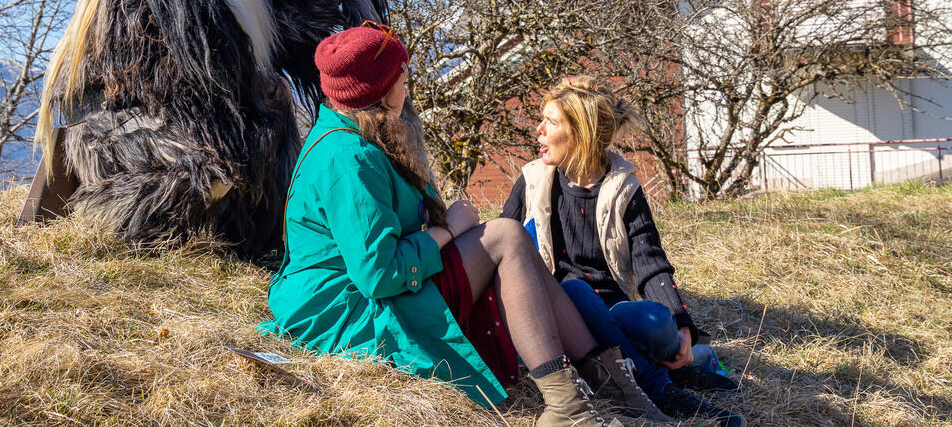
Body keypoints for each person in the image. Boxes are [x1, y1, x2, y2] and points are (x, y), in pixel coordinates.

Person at [259, 24, 667, 426]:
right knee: (506, 235)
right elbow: (379, 275)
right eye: (402, 79)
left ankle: (611, 388)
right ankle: (567, 405)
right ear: (379, 92)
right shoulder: (348, 158)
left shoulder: (363, 133)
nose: (407, 88)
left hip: (368, 291)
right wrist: (449, 230)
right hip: (346, 310)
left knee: (511, 245)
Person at [502, 75, 746, 426]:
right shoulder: (532, 181)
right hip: (569, 318)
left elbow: (651, 263)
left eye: (551, 122)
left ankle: (685, 360)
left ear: (580, 133)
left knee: (652, 321)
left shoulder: (624, 188)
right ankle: (660, 388)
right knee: (574, 290)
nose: (538, 130)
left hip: (618, 312)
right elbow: (505, 250)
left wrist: (682, 327)